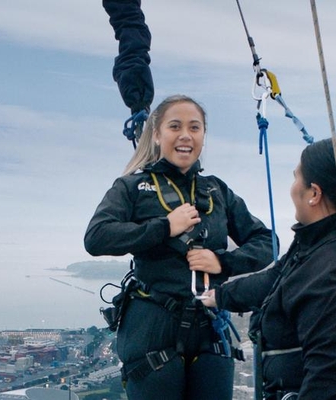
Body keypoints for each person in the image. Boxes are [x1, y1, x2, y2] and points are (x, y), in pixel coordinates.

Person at [85, 94, 275, 400]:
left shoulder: (217, 190)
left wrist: (222, 262)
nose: (186, 135)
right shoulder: (133, 187)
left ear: (202, 136)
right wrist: (164, 228)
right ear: (157, 135)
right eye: (175, 126)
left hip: (210, 328)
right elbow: (97, 237)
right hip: (153, 327)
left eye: (195, 128)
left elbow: (268, 242)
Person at [202, 137, 336, 399]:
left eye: (295, 178)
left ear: (314, 193)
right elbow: (278, 278)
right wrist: (221, 295)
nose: (291, 188)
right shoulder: (322, 247)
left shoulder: (334, 274)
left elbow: (328, 383)